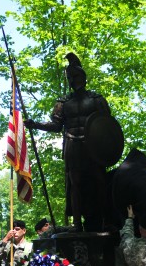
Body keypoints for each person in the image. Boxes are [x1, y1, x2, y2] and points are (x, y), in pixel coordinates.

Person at [25, 53, 112, 232]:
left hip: (93, 147)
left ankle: (105, 219)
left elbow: (107, 126)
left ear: (83, 77)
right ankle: (77, 223)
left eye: (76, 76)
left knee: (100, 181)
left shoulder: (97, 99)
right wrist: (36, 124)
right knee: (76, 184)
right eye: (70, 77)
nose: (73, 80)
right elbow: (56, 126)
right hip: (73, 146)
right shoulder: (63, 103)